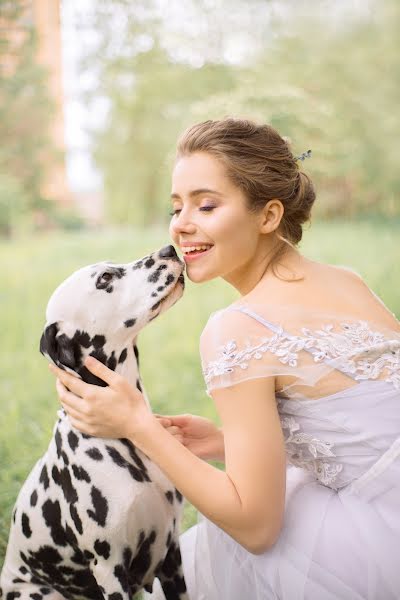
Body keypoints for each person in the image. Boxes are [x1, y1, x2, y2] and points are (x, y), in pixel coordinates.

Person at [49, 118, 400, 600]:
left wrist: (139, 426)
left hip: (372, 545)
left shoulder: (240, 328)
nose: (181, 224)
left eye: (206, 205)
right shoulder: (347, 281)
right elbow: (370, 434)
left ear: (269, 216)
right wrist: (221, 441)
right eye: (177, 206)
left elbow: (256, 530)